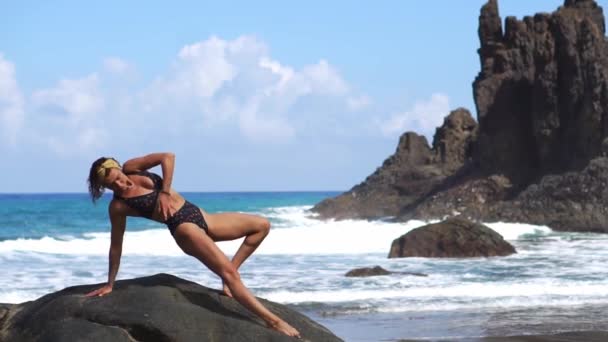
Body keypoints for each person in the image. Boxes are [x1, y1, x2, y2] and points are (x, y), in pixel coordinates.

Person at [84, 152, 301, 338]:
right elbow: (116, 245)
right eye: (112, 185)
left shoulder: (133, 167)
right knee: (229, 275)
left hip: (202, 216)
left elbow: (167, 157)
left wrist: (165, 191)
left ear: (120, 168)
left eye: (119, 178)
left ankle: (230, 277)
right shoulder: (119, 206)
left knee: (261, 226)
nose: (120, 185)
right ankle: (273, 321)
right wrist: (110, 283)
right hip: (184, 228)